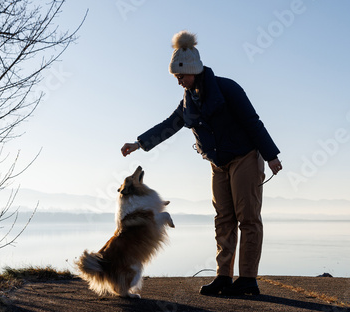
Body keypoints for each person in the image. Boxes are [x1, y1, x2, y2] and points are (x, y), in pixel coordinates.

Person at [121, 31, 282, 296]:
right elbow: (168, 126)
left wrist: (271, 155)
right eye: (176, 77)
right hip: (217, 164)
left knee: (249, 218)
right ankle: (224, 277)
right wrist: (139, 144)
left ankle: (248, 280)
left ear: (192, 69)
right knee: (223, 220)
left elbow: (253, 122)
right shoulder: (187, 102)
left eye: (180, 76)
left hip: (244, 158)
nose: (179, 81)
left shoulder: (228, 88)